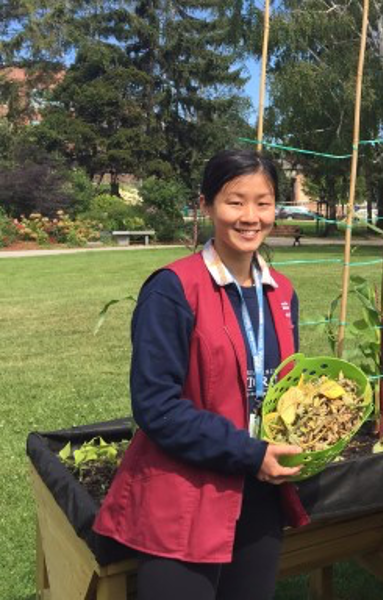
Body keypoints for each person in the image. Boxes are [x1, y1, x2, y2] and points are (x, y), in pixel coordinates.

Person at [94, 150, 310, 600]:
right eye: (235, 201)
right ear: (206, 205)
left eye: (263, 202)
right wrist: (250, 451)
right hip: (185, 496)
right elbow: (157, 406)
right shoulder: (173, 289)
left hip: (259, 493)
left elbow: (280, 387)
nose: (250, 217)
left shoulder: (281, 291)